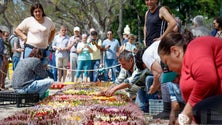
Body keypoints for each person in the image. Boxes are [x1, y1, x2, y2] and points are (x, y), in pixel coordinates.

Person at [158, 30, 222, 124]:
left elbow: (207, 79)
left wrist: (185, 113)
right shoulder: (187, 68)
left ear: (175, 51)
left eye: (167, 63)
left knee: (201, 109)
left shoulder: (195, 46)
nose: (169, 68)